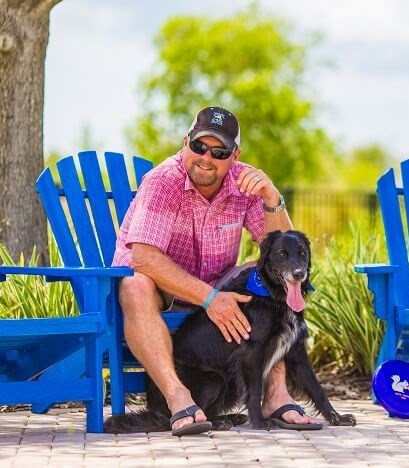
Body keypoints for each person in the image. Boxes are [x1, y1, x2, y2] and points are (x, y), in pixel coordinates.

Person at [112, 106, 318, 434]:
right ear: (185, 143)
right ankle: (176, 397)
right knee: (135, 284)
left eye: (219, 151)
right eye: (199, 146)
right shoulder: (164, 181)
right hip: (159, 285)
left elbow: (281, 250)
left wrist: (272, 197)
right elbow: (144, 258)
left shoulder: (245, 185)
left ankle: (275, 396)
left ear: (235, 156)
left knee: (265, 275)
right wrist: (210, 298)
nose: (207, 158)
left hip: (213, 284)